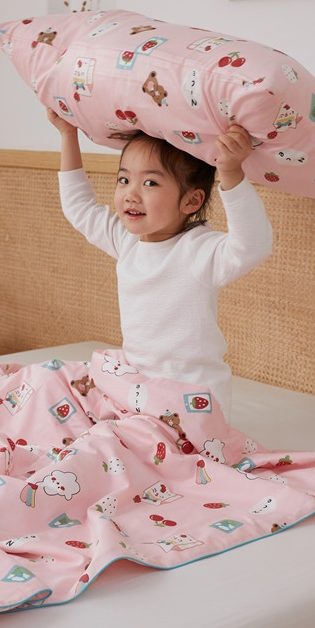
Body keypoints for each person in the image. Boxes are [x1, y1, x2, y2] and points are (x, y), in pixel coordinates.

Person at [46, 108, 273, 418]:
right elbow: (79, 207)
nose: (130, 194)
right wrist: (67, 134)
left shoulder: (199, 251)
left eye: (150, 183)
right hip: (137, 389)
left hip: (188, 403)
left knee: (110, 438)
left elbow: (252, 245)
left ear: (191, 201)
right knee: (53, 384)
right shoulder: (128, 242)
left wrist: (231, 172)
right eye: (124, 179)